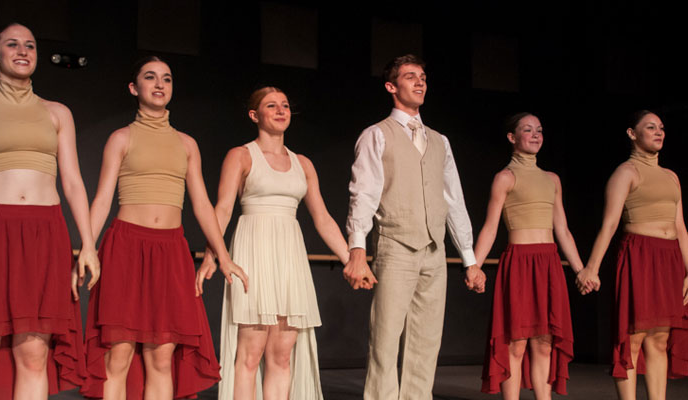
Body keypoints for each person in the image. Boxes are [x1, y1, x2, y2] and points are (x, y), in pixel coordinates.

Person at [0, 23, 99, 399]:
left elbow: (73, 183)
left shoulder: (57, 113)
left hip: (44, 233)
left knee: (34, 353)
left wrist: (89, 245)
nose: (23, 51)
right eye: (12, 44)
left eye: (30, 45)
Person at [81, 56, 244, 400]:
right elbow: (102, 199)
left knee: (161, 357)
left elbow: (202, 204)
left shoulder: (186, 144)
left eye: (166, 79)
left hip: (171, 251)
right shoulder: (121, 138)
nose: (159, 84)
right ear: (133, 87)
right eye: (150, 77)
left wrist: (224, 256)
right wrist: (87, 248)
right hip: (126, 247)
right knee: (119, 354)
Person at [342, 54, 486, 399]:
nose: (420, 82)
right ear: (391, 87)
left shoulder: (440, 141)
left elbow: (453, 199)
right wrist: (357, 249)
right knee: (385, 340)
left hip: (434, 251)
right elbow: (363, 193)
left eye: (422, 76)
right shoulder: (377, 135)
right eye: (410, 76)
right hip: (396, 246)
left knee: (426, 342)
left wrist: (469, 259)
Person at [195, 86, 350, 399]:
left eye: (285, 105)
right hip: (254, 252)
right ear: (254, 115)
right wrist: (213, 255)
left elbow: (322, 218)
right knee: (250, 354)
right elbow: (222, 210)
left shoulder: (303, 163)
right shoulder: (241, 155)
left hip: (289, 258)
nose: (281, 111)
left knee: (282, 355)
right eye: (271, 106)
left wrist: (352, 259)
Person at [577, 110, 688, 400]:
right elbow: (610, 223)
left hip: (670, 259)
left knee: (660, 339)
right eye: (650, 127)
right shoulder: (626, 172)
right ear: (632, 133)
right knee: (633, 338)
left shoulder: (671, 177)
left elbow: (681, 227)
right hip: (640, 255)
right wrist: (591, 268)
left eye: (661, 127)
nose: (658, 132)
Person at [474, 113, 583, 399]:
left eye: (539, 130)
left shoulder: (552, 179)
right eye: (528, 130)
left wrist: (581, 270)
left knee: (544, 343)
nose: (535, 135)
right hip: (520, 264)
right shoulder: (505, 178)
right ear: (512, 137)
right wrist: (474, 266)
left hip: (548, 263)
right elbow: (490, 227)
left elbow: (563, 229)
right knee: (516, 343)